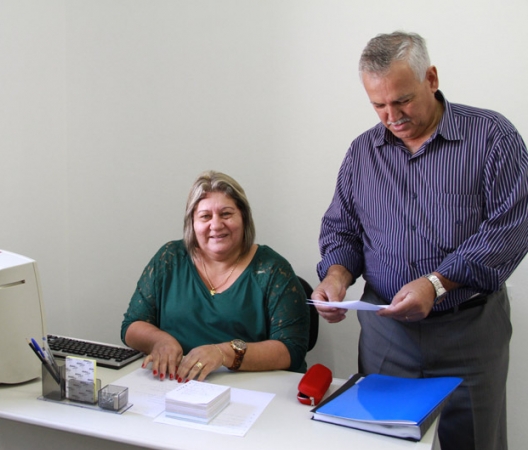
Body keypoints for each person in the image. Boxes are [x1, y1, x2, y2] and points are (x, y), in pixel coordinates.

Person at [313, 31, 528, 450]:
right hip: (386, 335)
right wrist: (336, 276)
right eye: (378, 104)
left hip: (469, 329)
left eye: (403, 100)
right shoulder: (362, 153)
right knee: (382, 442)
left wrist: (436, 283)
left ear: (431, 78)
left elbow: (511, 228)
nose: (391, 115)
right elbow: (343, 229)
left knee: (473, 441)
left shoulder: (493, 138)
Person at [121, 170, 309, 383]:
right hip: (174, 383)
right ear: (192, 222)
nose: (216, 225)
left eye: (226, 214)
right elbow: (131, 326)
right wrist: (161, 342)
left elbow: (291, 350)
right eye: (205, 216)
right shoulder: (169, 258)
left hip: (252, 390)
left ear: (244, 218)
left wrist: (223, 353)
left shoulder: (273, 270)